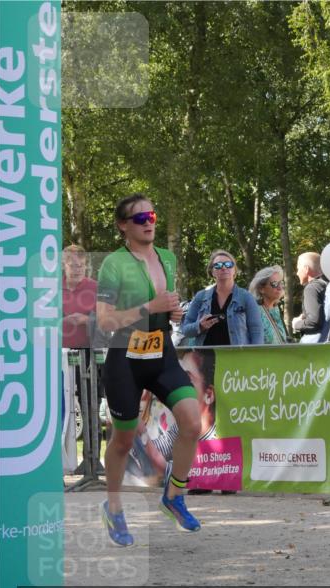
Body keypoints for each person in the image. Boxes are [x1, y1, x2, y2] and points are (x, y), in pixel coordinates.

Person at [96, 194, 203, 545]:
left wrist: (171, 312)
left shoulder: (167, 258)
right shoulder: (113, 263)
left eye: (152, 215)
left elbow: (164, 304)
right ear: (123, 226)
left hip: (161, 353)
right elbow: (105, 320)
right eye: (139, 218)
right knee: (124, 439)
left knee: (192, 421)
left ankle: (174, 496)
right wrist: (149, 306)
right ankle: (113, 508)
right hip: (124, 357)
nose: (148, 222)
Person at [62, 244, 102, 470]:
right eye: (72, 264)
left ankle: (92, 460)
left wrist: (86, 320)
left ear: (86, 265)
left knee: (91, 405)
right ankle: (61, 460)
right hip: (57, 355)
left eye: (80, 265)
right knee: (59, 405)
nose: (77, 269)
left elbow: (108, 320)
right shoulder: (52, 288)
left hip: (88, 353)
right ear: (63, 265)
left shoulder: (95, 288)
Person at [181, 250, 263, 347]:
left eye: (228, 264)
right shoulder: (200, 297)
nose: (224, 267)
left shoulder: (246, 297)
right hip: (205, 358)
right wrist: (200, 326)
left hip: (237, 358)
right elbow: (185, 330)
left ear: (234, 270)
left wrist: (255, 358)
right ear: (212, 271)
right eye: (218, 265)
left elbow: (257, 332)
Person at [249, 265, 291, 345]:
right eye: (274, 284)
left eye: (281, 283)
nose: (280, 287)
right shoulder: (254, 311)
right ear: (261, 289)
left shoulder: (276, 309)